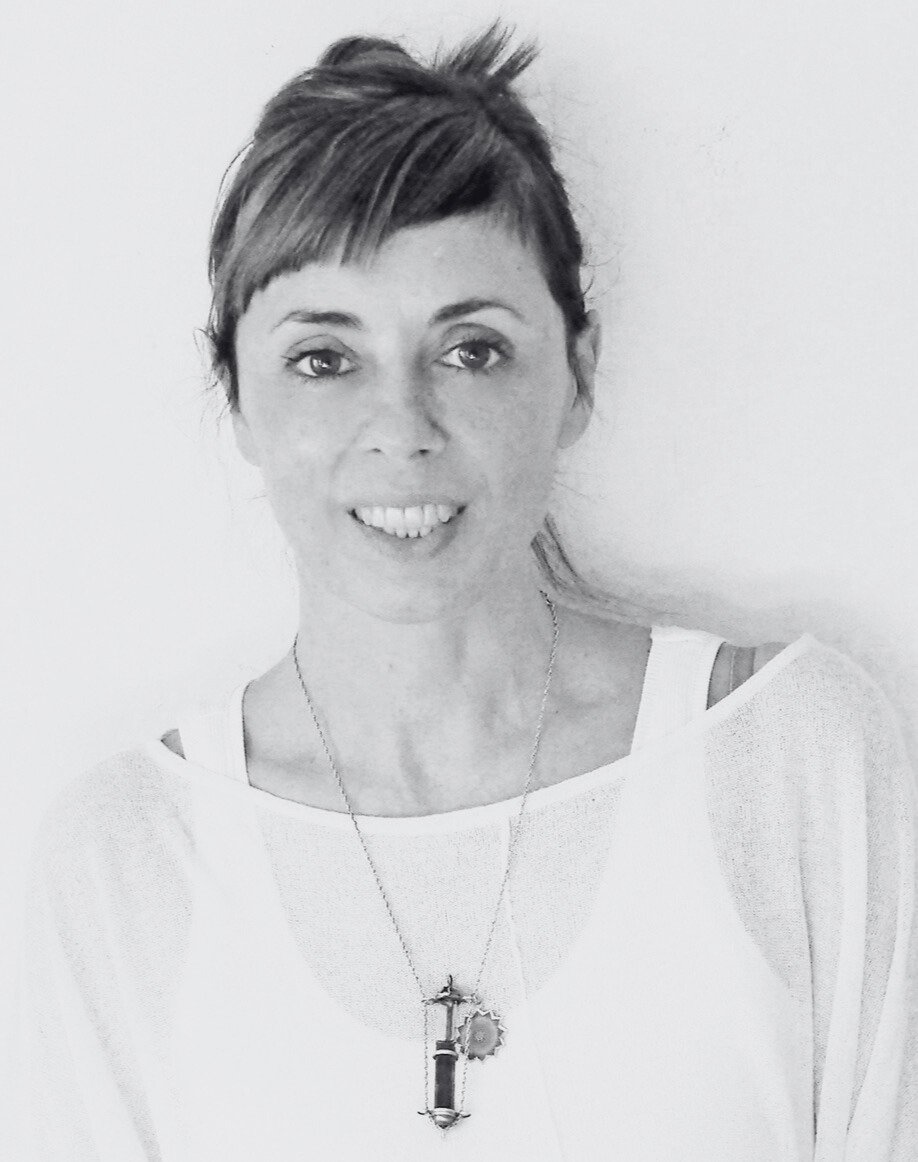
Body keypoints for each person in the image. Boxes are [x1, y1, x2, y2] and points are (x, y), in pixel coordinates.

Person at [14, 21, 916, 1161]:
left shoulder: (793, 765)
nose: (402, 430)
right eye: (323, 358)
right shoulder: (126, 866)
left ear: (576, 375)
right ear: (236, 396)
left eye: (470, 349)